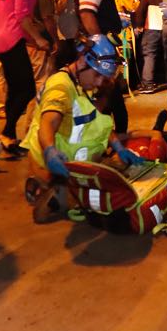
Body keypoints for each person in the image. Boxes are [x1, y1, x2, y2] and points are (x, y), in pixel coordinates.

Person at [22, 35, 143, 221]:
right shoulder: (60, 86)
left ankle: (56, 187)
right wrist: (49, 151)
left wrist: (117, 145)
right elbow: (48, 123)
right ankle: (45, 183)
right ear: (82, 61)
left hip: (70, 155)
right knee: (73, 203)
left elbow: (95, 122)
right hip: (49, 158)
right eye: (96, 75)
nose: (98, 83)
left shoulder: (82, 83)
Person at [0, 0, 51, 151]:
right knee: (26, 90)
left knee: (15, 89)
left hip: (0, 40)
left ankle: (8, 136)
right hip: (13, 40)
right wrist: (39, 39)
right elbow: (21, 16)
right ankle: (7, 131)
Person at [76, 0, 129, 132]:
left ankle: (112, 136)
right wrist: (99, 46)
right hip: (96, 54)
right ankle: (111, 137)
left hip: (98, 51)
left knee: (111, 97)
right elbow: (86, 15)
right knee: (107, 96)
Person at [136, 0, 167, 92]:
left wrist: (138, 25)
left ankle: (148, 83)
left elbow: (141, 8)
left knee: (149, 54)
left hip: (152, 27)